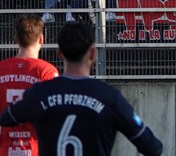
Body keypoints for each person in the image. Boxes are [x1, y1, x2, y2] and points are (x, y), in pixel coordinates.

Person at [0, 22, 163, 156]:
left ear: (59, 53)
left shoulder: (39, 94)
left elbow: (7, 118)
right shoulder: (109, 97)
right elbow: (153, 147)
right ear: (92, 53)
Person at [0, 15, 59, 156]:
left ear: (15, 39)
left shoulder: (2, 69)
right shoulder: (46, 71)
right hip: (35, 149)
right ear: (41, 39)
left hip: (4, 148)